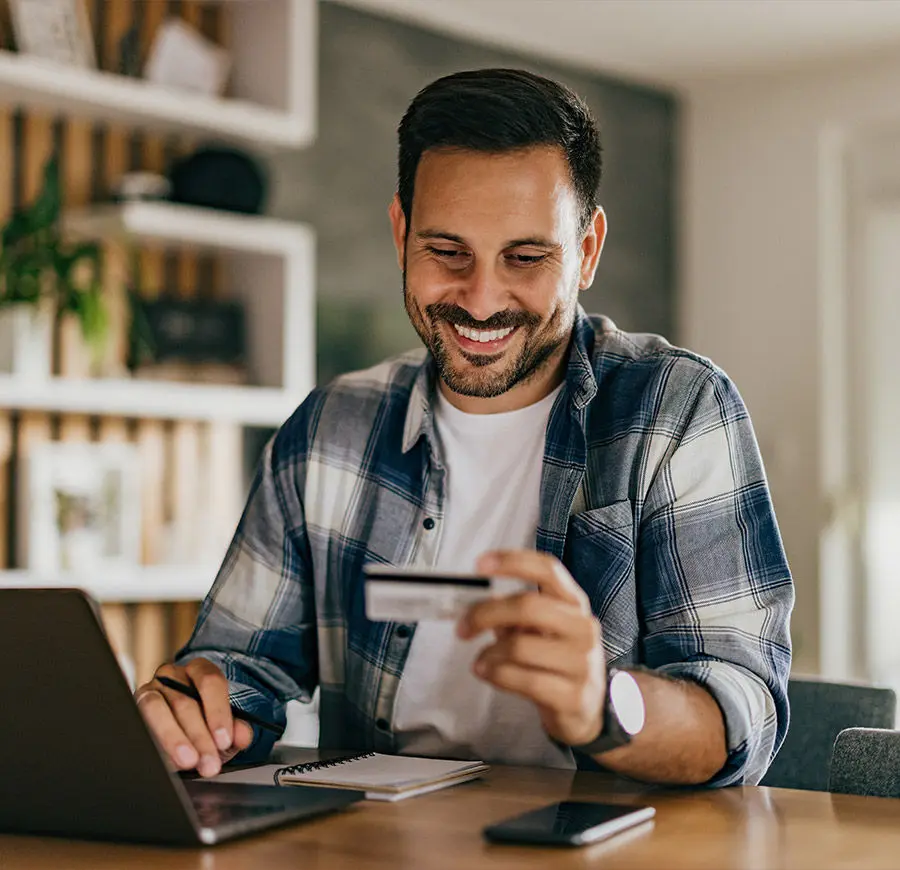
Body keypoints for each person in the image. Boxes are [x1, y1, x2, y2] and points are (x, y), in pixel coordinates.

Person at [135, 68, 793, 787]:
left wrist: (606, 701)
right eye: (447, 253)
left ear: (588, 251)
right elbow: (240, 663)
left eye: (526, 257)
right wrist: (194, 710)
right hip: (373, 846)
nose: (481, 300)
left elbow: (740, 712)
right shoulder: (329, 430)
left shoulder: (677, 411)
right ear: (401, 233)